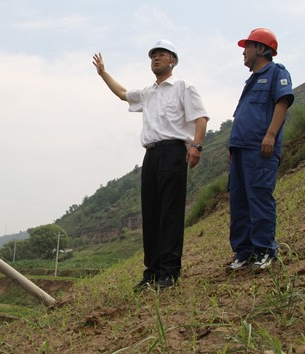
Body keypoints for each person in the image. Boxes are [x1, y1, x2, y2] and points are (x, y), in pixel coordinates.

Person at [92, 40, 209, 290]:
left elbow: (201, 117)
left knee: (170, 214)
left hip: (174, 151)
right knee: (152, 214)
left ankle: (170, 271)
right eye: (153, 55)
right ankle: (152, 272)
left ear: (173, 61)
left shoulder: (183, 87)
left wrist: (196, 147)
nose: (156, 59)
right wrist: (103, 73)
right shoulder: (148, 92)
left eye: (161, 55)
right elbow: (123, 94)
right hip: (152, 155)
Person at [226, 28, 294, 272]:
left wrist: (271, 135)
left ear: (262, 49)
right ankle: (244, 252)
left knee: (260, 198)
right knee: (239, 202)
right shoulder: (251, 81)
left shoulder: (276, 73)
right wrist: (233, 147)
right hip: (241, 151)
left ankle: (265, 250)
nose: (243, 52)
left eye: (248, 47)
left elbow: (282, 101)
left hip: (260, 149)